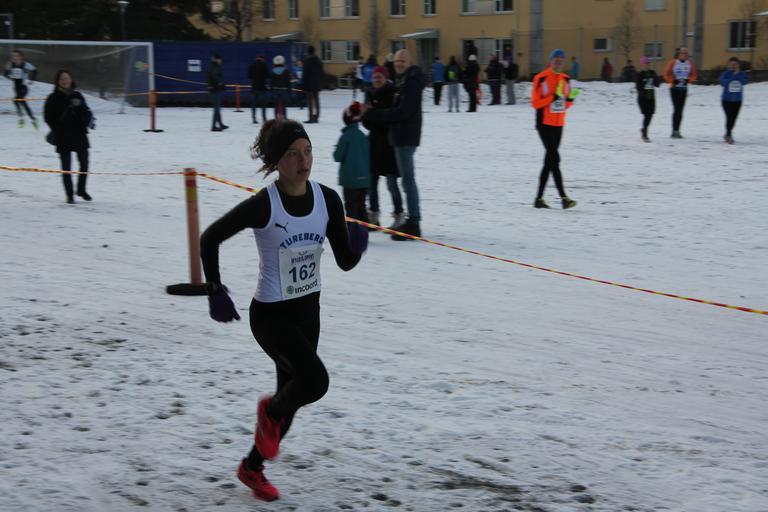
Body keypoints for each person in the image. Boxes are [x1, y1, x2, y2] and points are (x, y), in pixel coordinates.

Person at [199, 119, 368, 502]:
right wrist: (215, 289)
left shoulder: (327, 199)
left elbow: (344, 261)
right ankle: (269, 413)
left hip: (309, 313)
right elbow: (210, 238)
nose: (303, 161)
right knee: (314, 382)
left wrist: (357, 247)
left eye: (307, 151)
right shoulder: (265, 205)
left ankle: (251, 467)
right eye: (292, 154)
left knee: (290, 398)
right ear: (277, 160)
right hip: (271, 316)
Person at [361, 49, 425, 240]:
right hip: (398, 137)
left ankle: (413, 222)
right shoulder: (403, 81)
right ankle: (410, 220)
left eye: (402, 61)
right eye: (397, 61)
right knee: (405, 180)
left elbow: (403, 112)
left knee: (407, 181)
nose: (399, 64)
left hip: (405, 137)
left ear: (409, 62)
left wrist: (373, 114)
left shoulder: (411, 83)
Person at [531, 49, 580, 210]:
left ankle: (539, 199)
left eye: (561, 60)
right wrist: (552, 97)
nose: (558, 62)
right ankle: (563, 197)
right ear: (551, 61)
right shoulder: (541, 78)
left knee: (549, 162)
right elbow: (535, 103)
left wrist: (570, 98)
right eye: (556, 59)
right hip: (544, 124)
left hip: (559, 125)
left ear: (563, 62)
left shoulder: (566, 79)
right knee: (555, 159)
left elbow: (565, 105)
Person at [44, 70, 94, 204]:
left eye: (67, 78)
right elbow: (48, 117)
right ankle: (69, 195)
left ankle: (81, 190)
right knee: (66, 168)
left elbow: (86, 112)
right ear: (57, 81)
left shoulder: (77, 95)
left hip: (79, 134)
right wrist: (58, 129)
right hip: (63, 136)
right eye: (62, 79)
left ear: (71, 80)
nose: (65, 81)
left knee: (84, 164)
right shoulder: (53, 97)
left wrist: (84, 114)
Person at [363, 66, 404, 228]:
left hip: (389, 145)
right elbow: (367, 122)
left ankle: (399, 213)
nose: (377, 80)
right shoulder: (369, 94)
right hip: (373, 144)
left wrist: (373, 113)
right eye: (375, 77)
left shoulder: (392, 93)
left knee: (391, 184)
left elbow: (389, 118)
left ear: (386, 78)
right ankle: (374, 214)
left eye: (380, 77)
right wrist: (368, 114)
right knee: (371, 183)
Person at [334, 102, 370, 223]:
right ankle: (363, 231)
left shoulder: (345, 137)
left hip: (350, 179)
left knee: (351, 206)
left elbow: (337, 156)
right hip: (365, 179)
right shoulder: (363, 136)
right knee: (361, 205)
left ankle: (352, 231)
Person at [663, 47, 698, 138]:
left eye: (686, 53)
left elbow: (694, 74)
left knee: (680, 110)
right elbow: (666, 74)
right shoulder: (673, 63)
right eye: (682, 53)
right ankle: (674, 131)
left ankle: (677, 131)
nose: (684, 55)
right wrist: (673, 80)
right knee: (677, 109)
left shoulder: (690, 63)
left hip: (683, 89)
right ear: (679, 54)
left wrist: (688, 80)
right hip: (674, 89)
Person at [4, 50, 38, 129]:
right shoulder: (11, 64)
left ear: (20, 57)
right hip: (16, 88)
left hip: (23, 87)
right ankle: (33, 119)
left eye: (16, 56)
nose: (14, 57)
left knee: (18, 100)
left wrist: (32, 79)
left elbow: (35, 71)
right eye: (13, 56)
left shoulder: (25, 64)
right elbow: (6, 75)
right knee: (20, 101)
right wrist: (6, 70)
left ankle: (22, 119)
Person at [719, 57, 747, 145]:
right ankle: (728, 135)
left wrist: (737, 75)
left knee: (733, 118)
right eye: (732, 65)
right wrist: (733, 76)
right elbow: (723, 83)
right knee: (729, 117)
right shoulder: (725, 74)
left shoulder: (742, 74)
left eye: (735, 64)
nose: (733, 66)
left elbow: (744, 82)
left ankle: (727, 134)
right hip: (726, 100)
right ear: (728, 65)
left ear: (739, 65)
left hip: (738, 100)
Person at [635, 56, 661, 143]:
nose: (647, 65)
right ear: (642, 64)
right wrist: (643, 89)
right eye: (645, 63)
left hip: (651, 98)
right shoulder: (639, 74)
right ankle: (645, 135)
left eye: (648, 63)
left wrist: (655, 77)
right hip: (643, 99)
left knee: (650, 116)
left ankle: (643, 129)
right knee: (646, 116)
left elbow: (658, 84)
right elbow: (638, 87)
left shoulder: (652, 72)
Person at [302, 46, 324, 123]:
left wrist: (303, 85)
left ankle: (311, 117)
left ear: (308, 52)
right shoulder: (319, 61)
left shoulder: (306, 61)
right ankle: (316, 116)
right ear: (314, 51)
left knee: (310, 102)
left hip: (309, 84)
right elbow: (322, 73)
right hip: (317, 84)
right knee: (316, 100)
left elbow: (305, 74)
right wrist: (320, 83)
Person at [207, 54, 228, 131]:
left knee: (217, 108)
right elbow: (214, 76)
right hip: (215, 89)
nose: (221, 61)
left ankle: (220, 124)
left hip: (214, 89)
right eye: (220, 59)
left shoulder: (212, 66)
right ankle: (213, 127)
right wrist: (220, 83)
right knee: (216, 109)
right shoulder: (215, 67)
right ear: (216, 59)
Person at [248, 55, 269, 124]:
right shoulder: (264, 65)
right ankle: (264, 118)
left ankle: (254, 118)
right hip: (262, 87)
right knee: (263, 104)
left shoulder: (252, 65)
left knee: (253, 104)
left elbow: (249, 76)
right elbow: (267, 76)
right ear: (262, 59)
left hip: (254, 87)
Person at [270, 55, 291, 120]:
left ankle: (276, 117)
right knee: (284, 104)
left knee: (276, 104)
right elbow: (288, 81)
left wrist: (271, 88)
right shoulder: (286, 70)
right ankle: (284, 117)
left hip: (275, 89)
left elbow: (272, 81)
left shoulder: (273, 70)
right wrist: (289, 89)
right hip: (283, 89)